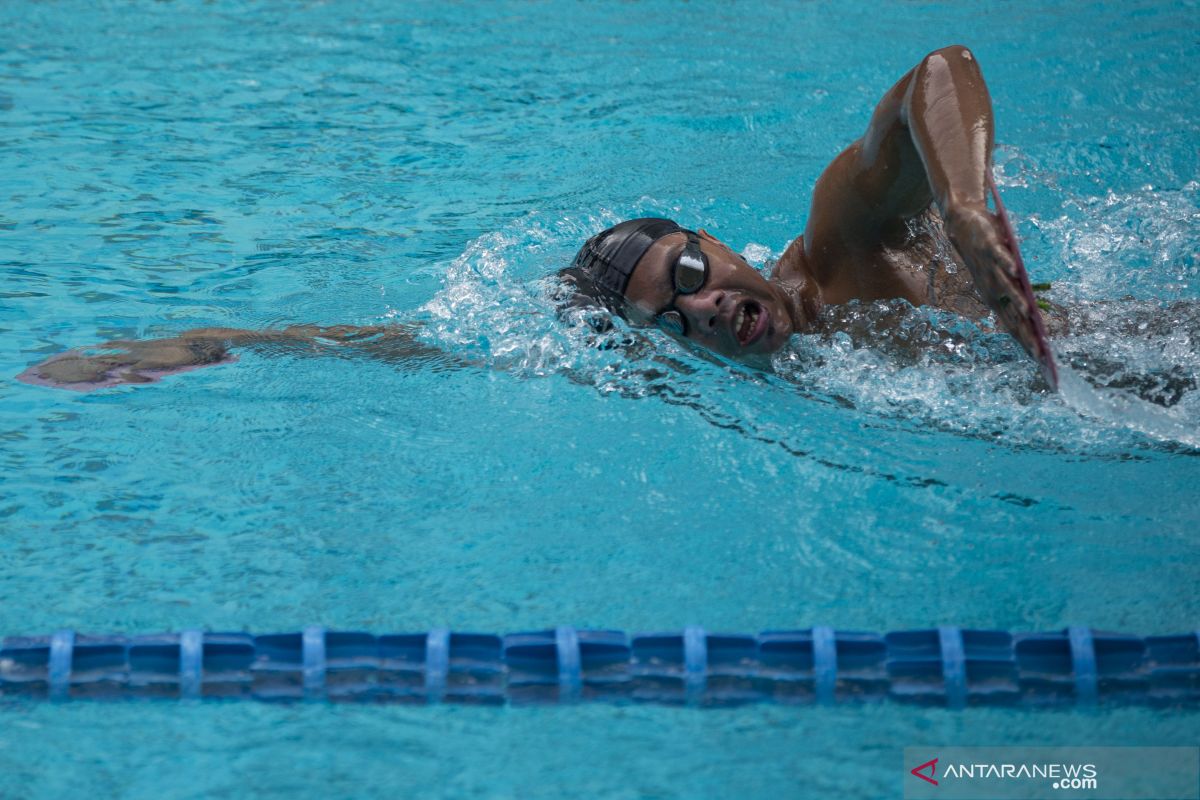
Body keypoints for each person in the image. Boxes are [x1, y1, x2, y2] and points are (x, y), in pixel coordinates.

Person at [19, 45, 1058, 392]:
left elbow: (941, 71)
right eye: (670, 315)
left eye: (691, 270)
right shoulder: (771, 372)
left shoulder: (843, 251)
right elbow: (418, 345)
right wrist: (216, 342)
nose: (706, 306)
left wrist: (962, 204)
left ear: (712, 237)